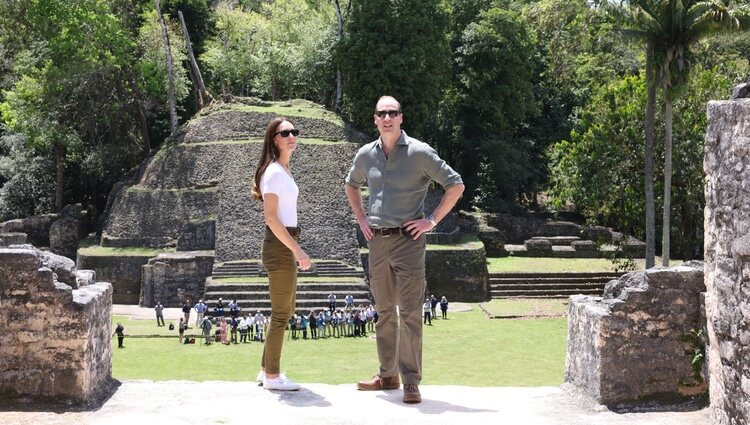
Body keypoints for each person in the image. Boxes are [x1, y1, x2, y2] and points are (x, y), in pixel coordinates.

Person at [345, 95, 464, 404]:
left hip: (409, 241)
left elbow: (456, 185)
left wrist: (432, 220)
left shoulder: (420, 153)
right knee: (384, 312)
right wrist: (360, 218)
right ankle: (387, 375)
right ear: (375, 119)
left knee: (409, 312)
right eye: (381, 113)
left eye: (392, 113)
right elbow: (351, 185)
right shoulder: (365, 155)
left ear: (401, 118)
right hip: (377, 241)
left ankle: (411, 381)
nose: (387, 118)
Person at [251, 117, 312, 391]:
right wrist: (297, 249)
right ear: (274, 138)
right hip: (281, 245)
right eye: (284, 132)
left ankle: (266, 371)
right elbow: (272, 219)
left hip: (285, 243)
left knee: (285, 311)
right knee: (280, 314)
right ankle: (273, 377)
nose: (291, 136)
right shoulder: (274, 172)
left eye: (293, 132)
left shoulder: (283, 170)